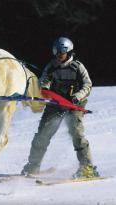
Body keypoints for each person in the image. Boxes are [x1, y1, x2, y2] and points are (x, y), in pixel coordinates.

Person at [21, 37, 99, 178]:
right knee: (42, 134)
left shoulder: (77, 66)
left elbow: (88, 84)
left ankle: (87, 168)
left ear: (69, 51)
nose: (59, 54)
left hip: (74, 103)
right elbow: (44, 80)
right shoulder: (52, 66)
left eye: (62, 51)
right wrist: (44, 88)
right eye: (56, 51)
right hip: (56, 103)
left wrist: (77, 96)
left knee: (76, 133)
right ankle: (33, 166)